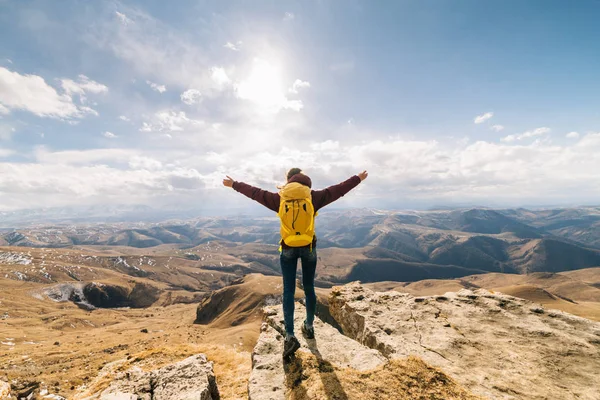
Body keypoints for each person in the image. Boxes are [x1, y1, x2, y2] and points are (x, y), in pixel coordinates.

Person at [223, 168, 368, 358]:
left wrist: (234, 184)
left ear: (288, 180)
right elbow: (339, 189)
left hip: (288, 249)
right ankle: (308, 326)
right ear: (305, 181)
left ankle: (289, 336)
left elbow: (255, 193)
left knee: (288, 291)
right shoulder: (313, 197)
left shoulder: (280, 198)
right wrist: (358, 178)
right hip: (308, 247)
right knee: (309, 288)